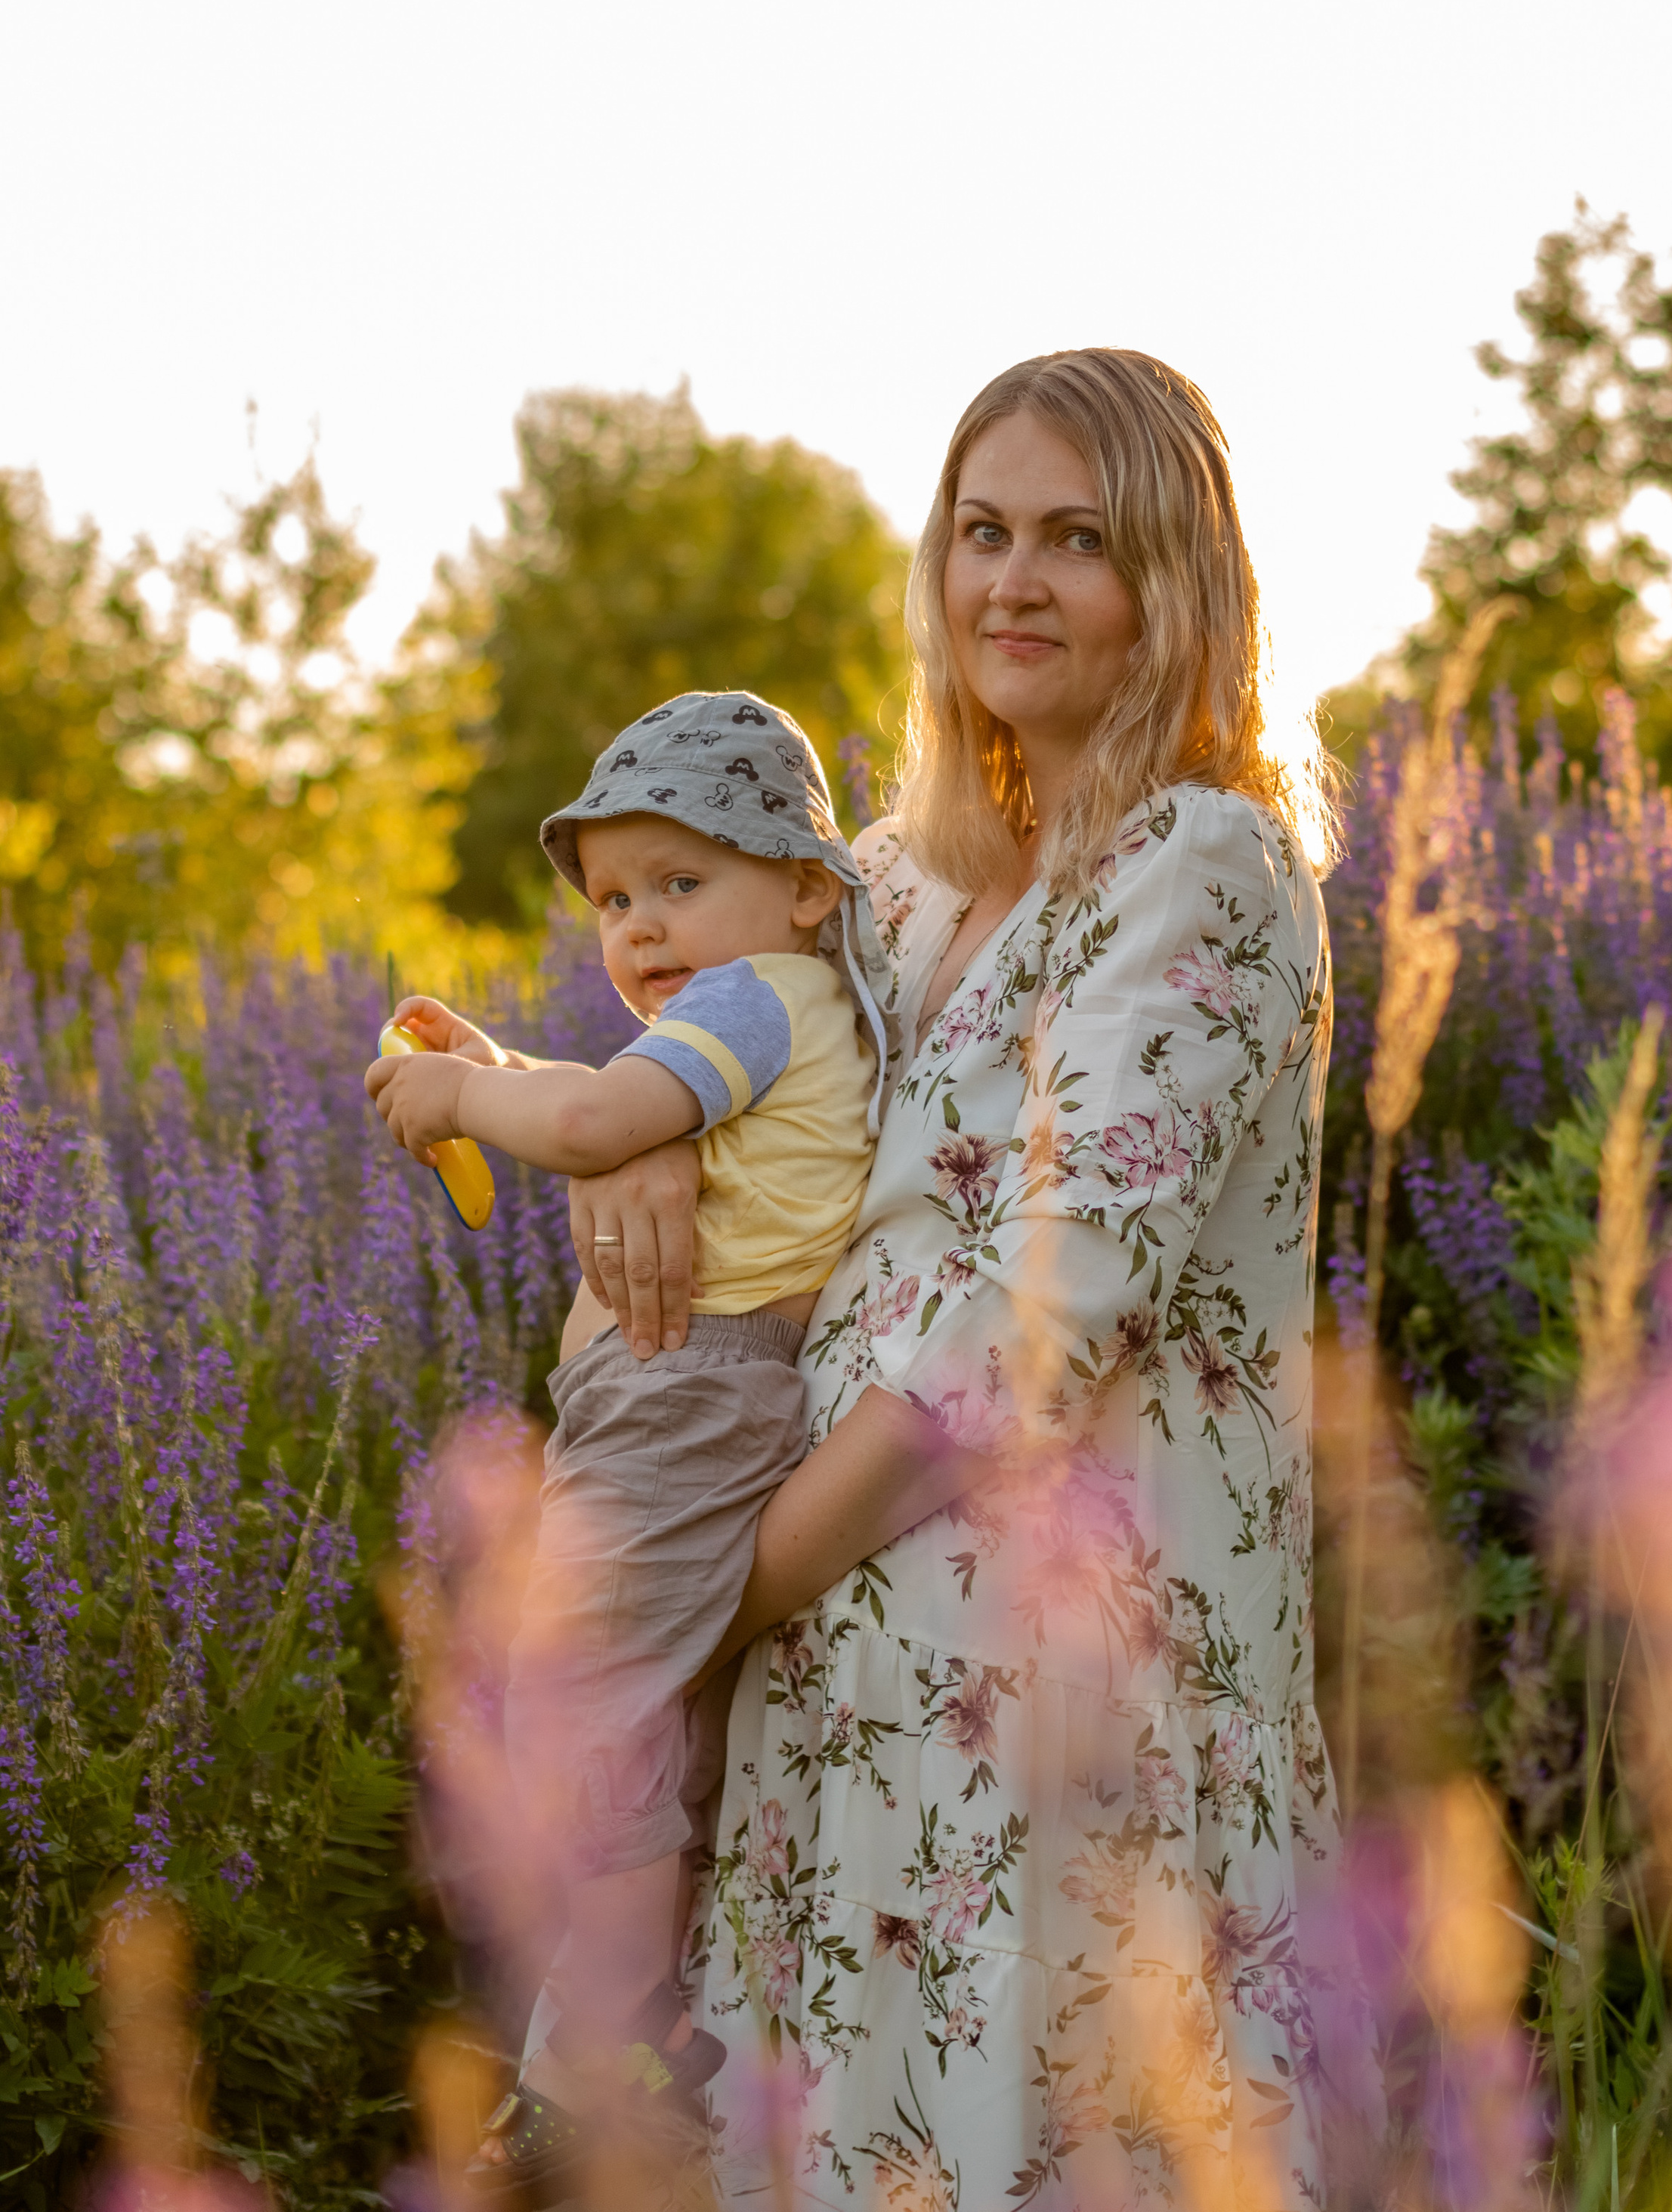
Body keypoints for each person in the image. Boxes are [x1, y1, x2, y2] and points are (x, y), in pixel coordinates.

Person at [570, 350, 1365, 2208]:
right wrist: (667, 1134)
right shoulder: (896, 884)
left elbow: (1030, 1341)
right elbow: (708, 1025)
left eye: (1073, 540)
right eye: (980, 531)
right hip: (835, 1738)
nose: (1009, 580)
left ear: (1172, 578)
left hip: (1057, 1720)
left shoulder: (1206, 860)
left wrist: (702, 1597)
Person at [364, 691, 889, 2194]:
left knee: (577, 1696)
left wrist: (468, 1092)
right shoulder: (769, 1006)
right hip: (694, 1404)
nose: (641, 929)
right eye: (611, 899)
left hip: (685, 1403)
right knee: (637, 1711)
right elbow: (616, 1107)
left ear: (802, 884)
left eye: (680, 882)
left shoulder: (746, 1000)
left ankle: (619, 2033)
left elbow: (603, 1130)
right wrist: (505, 1066)